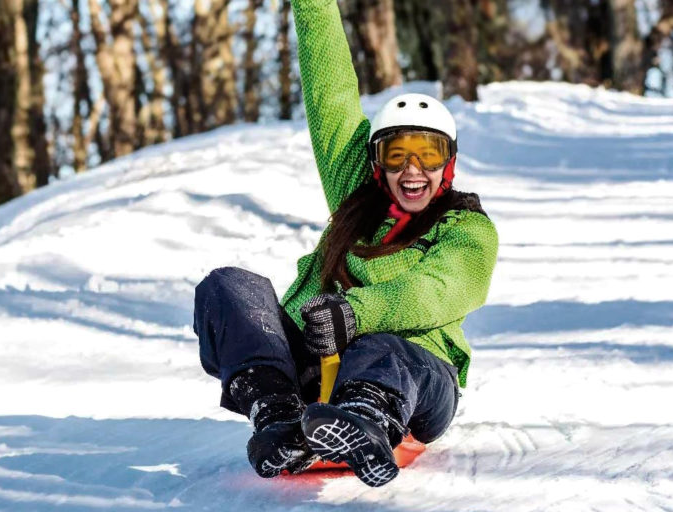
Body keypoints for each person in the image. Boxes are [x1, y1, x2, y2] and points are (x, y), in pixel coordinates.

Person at [193, 0, 498, 488]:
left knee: (381, 346)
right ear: (378, 163)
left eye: (429, 153)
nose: (412, 168)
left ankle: (363, 421)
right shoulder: (358, 193)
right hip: (315, 370)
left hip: (415, 382)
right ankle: (277, 411)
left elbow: (436, 290)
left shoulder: (467, 229)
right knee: (228, 288)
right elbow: (329, 92)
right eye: (397, 153)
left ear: (449, 163)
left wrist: (354, 312)